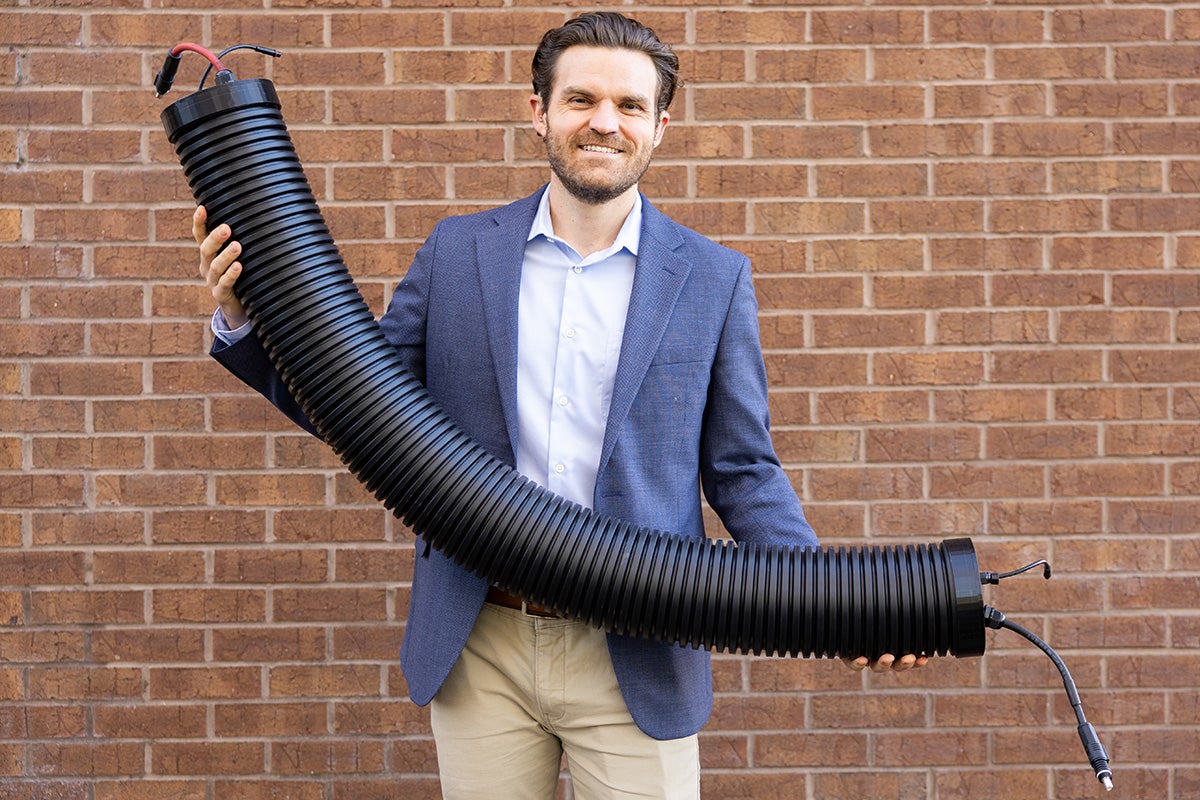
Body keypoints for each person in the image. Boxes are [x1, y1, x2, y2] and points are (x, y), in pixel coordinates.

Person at [194, 11, 926, 799]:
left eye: (629, 106)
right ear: (538, 110)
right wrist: (245, 316)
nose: (603, 122)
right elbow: (360, 411)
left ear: (660, 126)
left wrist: (832, 602)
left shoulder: (713, 279)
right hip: (483, 643)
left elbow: (743, 470)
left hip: (639, 645)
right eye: (580, 99)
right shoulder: (457, 252)